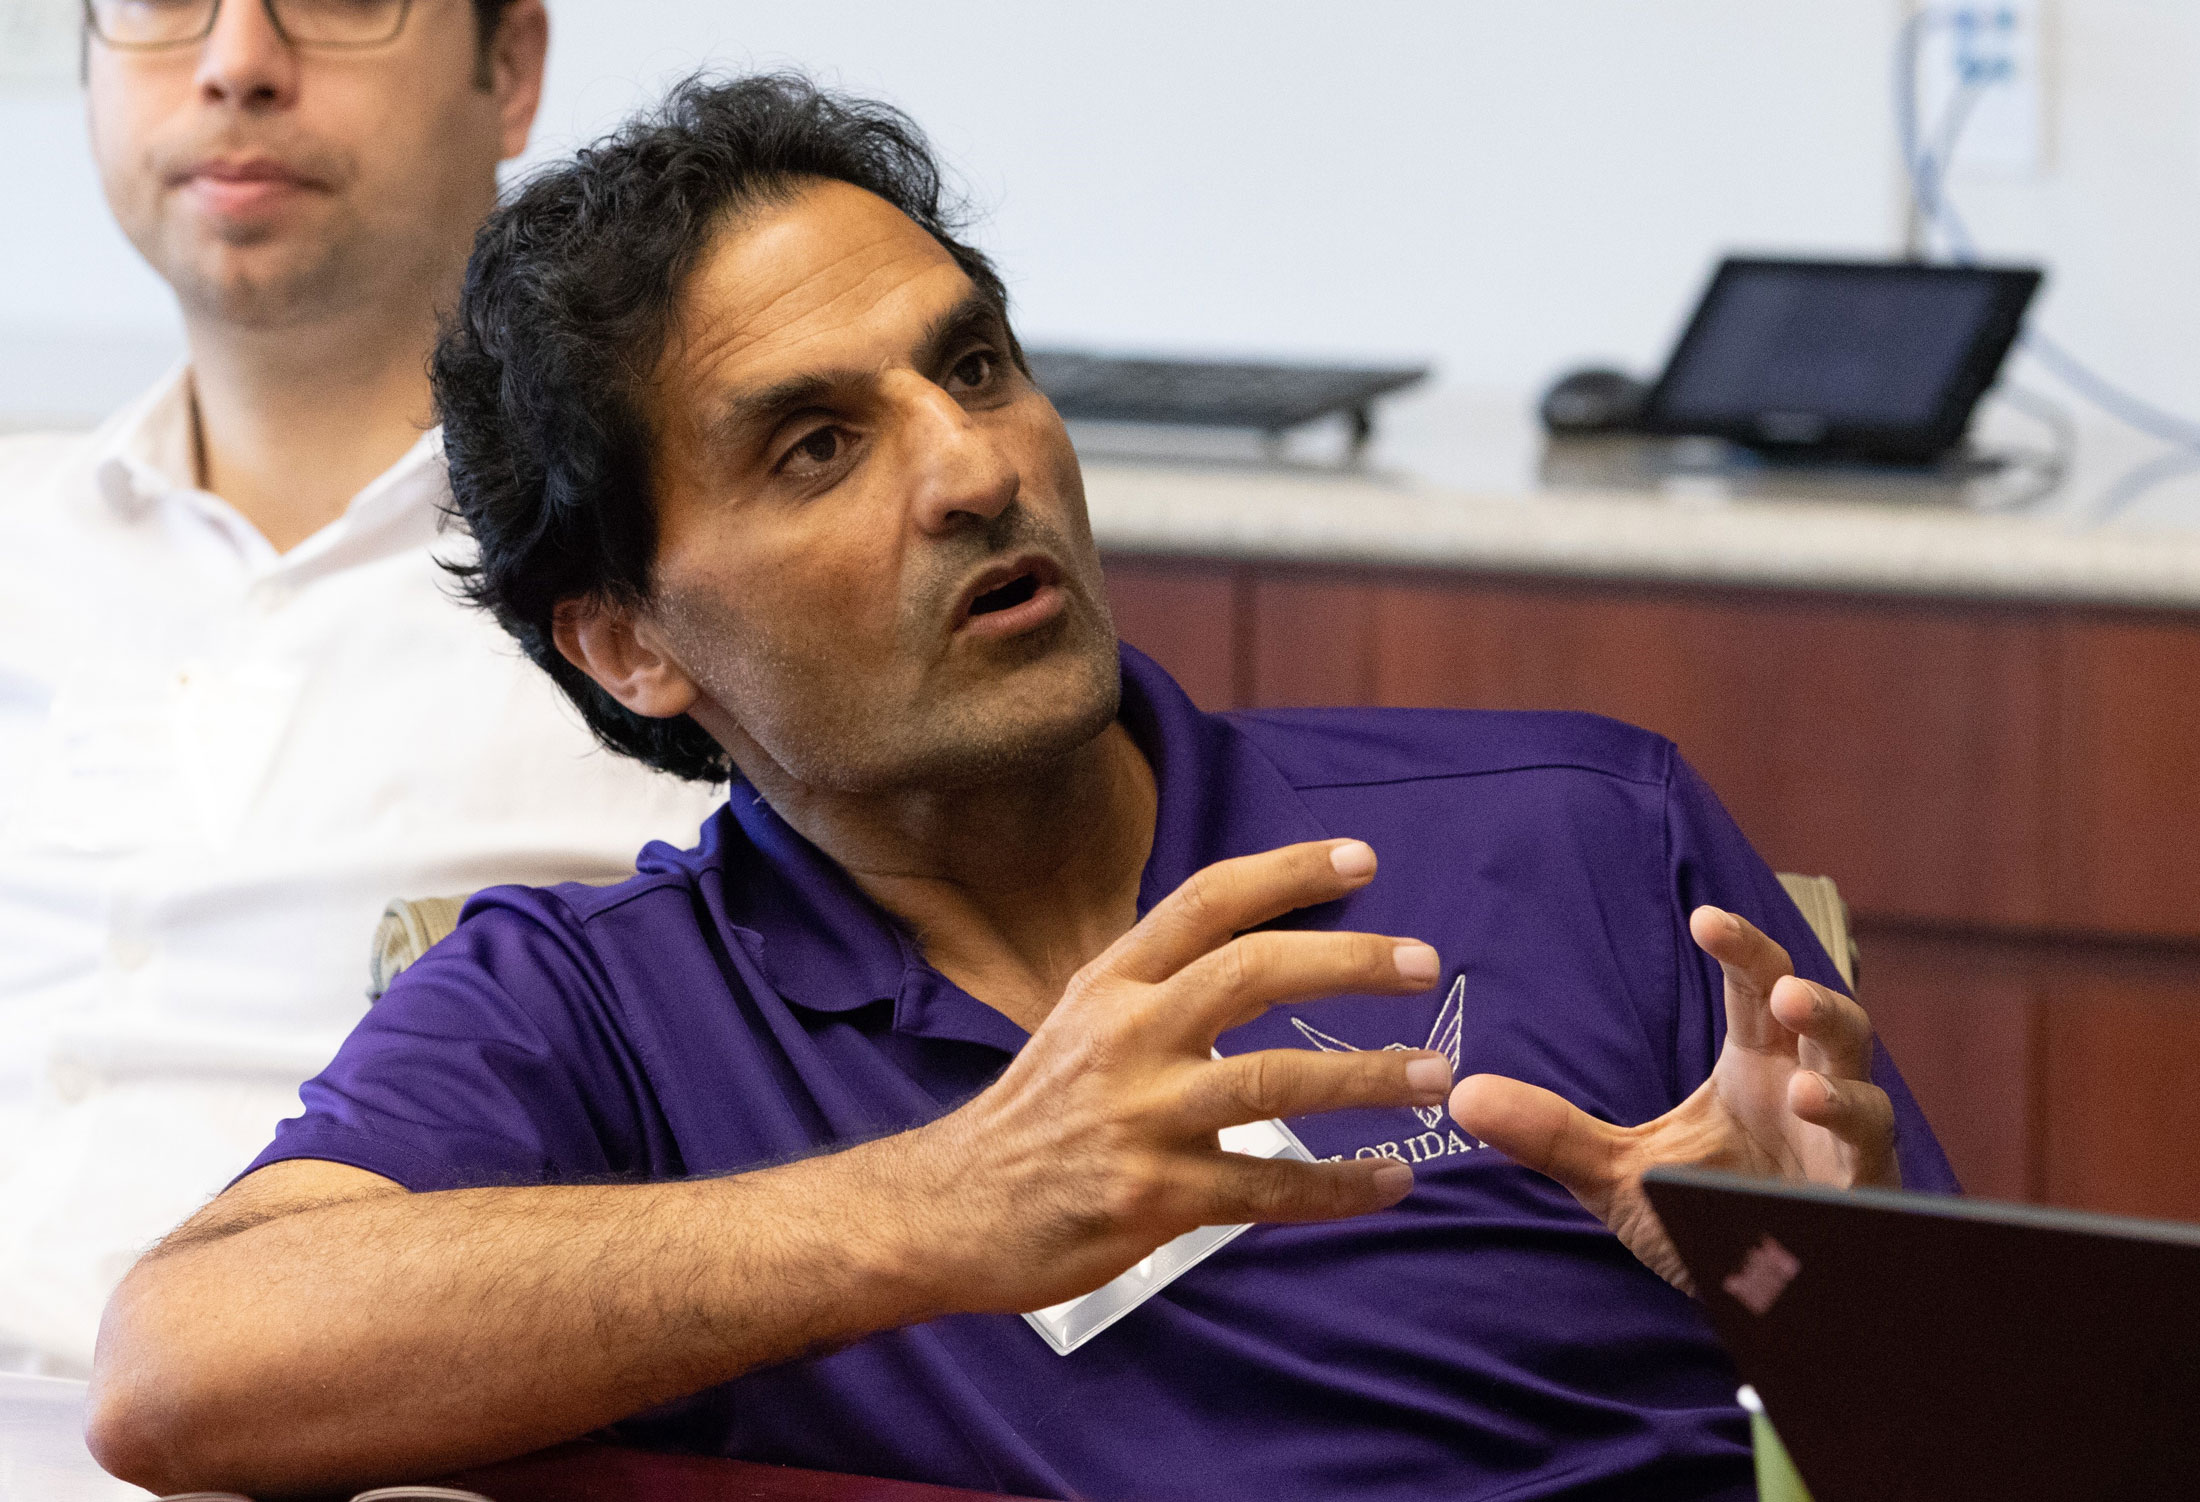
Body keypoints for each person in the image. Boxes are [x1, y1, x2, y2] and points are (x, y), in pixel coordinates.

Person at [88, 75, 1956, 1501]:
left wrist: (1807, 1282)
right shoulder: (602, 1011)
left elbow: (1970, 1431)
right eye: (818, 445)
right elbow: (183, 1369)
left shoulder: (1574, 825)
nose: (975, 467)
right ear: (628, 646)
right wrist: (943, 1206)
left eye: (973, 366)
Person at [0, 0, 718, 1374]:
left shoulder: (675, 592)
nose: (234, 62)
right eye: (158, 4)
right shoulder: (17, 532)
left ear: (508, 70)